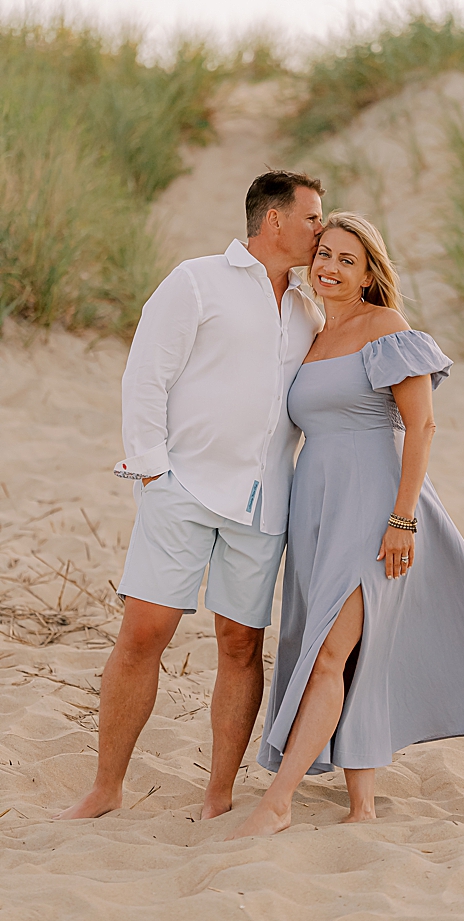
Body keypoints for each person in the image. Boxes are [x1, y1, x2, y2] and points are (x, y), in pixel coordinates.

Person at [225, 212, 464, 838]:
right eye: (324, 253)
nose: (330, 267)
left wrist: (401, 518)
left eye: (349, 259)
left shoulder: (389, 329)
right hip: (314, 512)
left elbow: (422, 427)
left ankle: (279, 800)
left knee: (329, 653)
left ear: (371, 272)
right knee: (348, 657)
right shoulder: (310, 336)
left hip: (375, 508)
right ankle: (364, 805)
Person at [59, 171, 326, 821]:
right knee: (144, 632)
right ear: (274, 222)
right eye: (313, 217)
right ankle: (105, 789)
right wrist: (153, 475)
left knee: (239, 643)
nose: (322, 229)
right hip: (182, 489)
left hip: (264, 504)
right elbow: (146, 375)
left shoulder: (309, 304)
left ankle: (218, 795)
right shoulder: (196, 280)